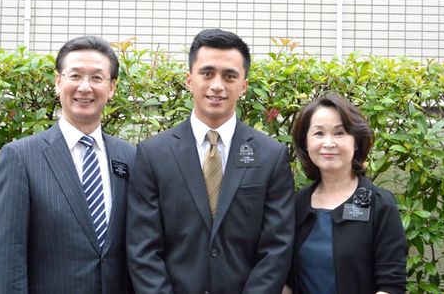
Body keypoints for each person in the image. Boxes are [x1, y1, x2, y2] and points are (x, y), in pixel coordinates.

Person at [126, 28, 295, 294]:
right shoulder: (153, 154)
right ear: (190, 80)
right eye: (207, 73)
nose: (217, 85)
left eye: (229, 76)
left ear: (244, 86)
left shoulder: (271, 156)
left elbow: (277, 247)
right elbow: (143, 247)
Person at [0, 36, 135, 294]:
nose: (85, 87)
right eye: (75, 76)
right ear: (58, 82)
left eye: (97, 78)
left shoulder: (129, 157)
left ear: (112, 88)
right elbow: (6, 258)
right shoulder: (21, 158)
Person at [287, 92, 407, 294]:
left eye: (339, 133)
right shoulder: (297, 204)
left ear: (356, 141)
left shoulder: (380, 204)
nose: (328, 143)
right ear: (305, 144)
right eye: (318, 133)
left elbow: (391, 285)